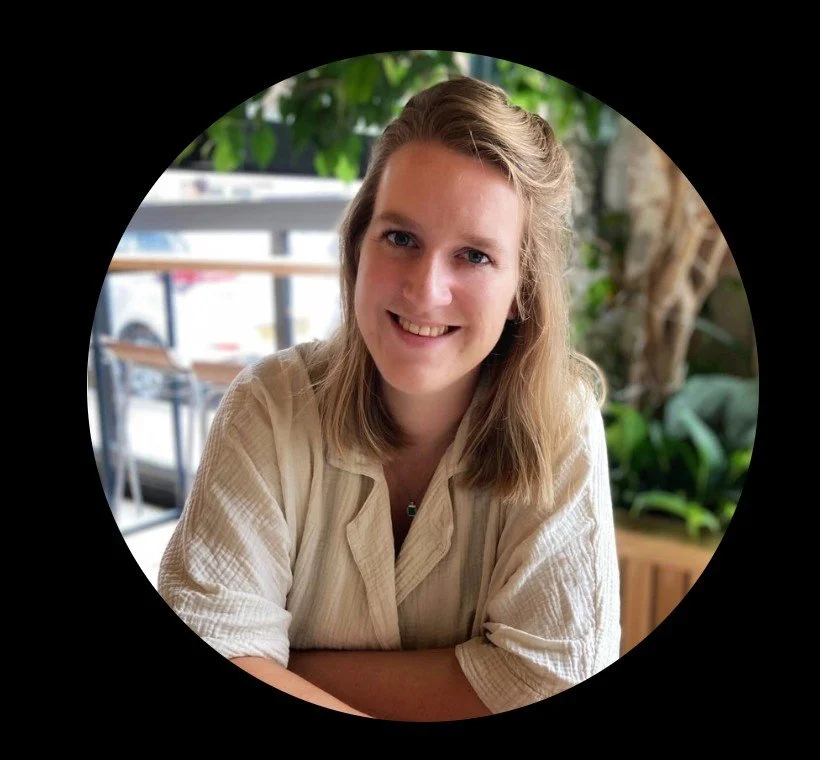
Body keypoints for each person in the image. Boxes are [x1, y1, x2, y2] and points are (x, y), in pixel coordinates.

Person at [158, 75, 621, 721]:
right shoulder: (268, 405)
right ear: (357, 247)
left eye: (475, 256)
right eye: (400, 238)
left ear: (524, 289)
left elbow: (553, 681)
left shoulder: (561, 424)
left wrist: (281, 662)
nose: (426, 291)